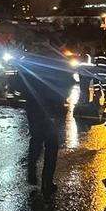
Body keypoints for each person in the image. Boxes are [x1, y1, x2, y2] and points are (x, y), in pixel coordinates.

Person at [16, 38, 73, 201]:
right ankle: (47, 181)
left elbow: (19, 83)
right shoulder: (60, 62)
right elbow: (68, 83)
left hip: (35, 105)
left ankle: (32, 171)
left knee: (36, 138)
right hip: (53, 108)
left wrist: (29, 96)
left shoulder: (30, 61)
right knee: (51, 144)